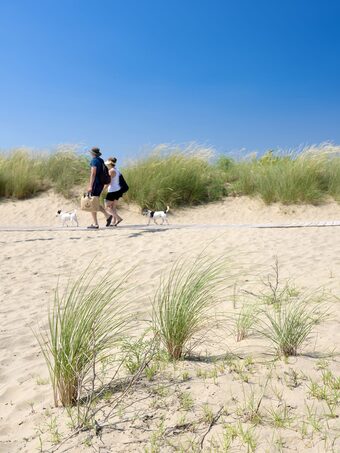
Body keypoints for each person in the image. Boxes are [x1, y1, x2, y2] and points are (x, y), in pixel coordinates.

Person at [87, 147, 113, 229]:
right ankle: (108, 216)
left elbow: (93, 174)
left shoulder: (94, 161)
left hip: (95, 184)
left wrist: (90, 185)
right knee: (95, 202)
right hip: (100, 184)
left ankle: (95, 224)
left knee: (92, 203)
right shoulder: (101, 160)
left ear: (92, 153)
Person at [104, 157, 124, 227]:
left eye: (107, 164)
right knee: (113, 207)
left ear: (110, 163)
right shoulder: (117, 170)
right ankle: (113, 222)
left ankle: (118, 218)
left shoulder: (111, 171)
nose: (107, 165)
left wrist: (103, 189)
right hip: (118, 190)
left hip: (112, 191)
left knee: (107, 207)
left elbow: (109, 182)